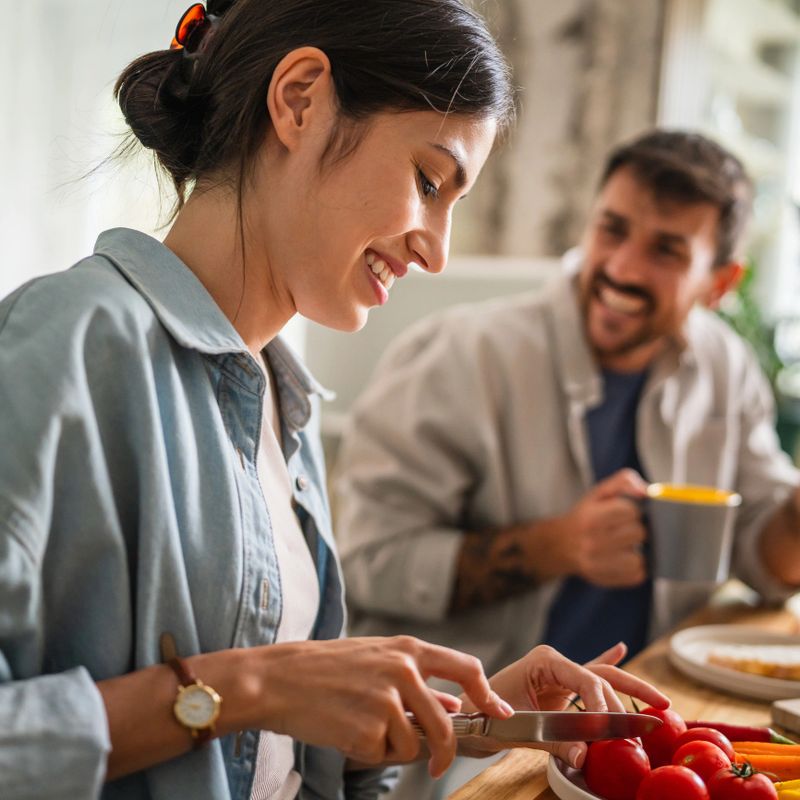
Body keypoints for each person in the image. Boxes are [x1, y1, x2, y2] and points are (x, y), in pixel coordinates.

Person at [0, 2, 672, 799]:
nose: (437, 250)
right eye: (429, 180)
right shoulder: (65, 344)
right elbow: (249, 694)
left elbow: (276, 755)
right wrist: (251, 685)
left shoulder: (287, 411)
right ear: (300, 100)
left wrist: (473, 718)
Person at [334, 129, 800, 794]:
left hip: (637, 745)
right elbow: (366, 566)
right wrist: (556, 546)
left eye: (666, 250)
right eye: (612, 229)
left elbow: (768, 559)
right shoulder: (459, 356)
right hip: (466, 751)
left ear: (721, 282)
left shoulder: (723, 366)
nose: (622, 267)